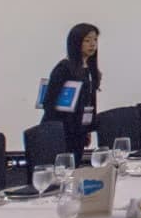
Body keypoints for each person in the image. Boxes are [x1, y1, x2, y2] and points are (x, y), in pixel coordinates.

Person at [42, 23, 101, 158]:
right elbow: (49, 102)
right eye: (87, 40)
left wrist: (87, 128)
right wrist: (57, 130)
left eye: (95, 40)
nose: (92, 44)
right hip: (61, 131)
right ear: (76, 42)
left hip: (79, 130)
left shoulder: (90, 69)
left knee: (76, 164)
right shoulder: (64, 68)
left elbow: (89, 102)